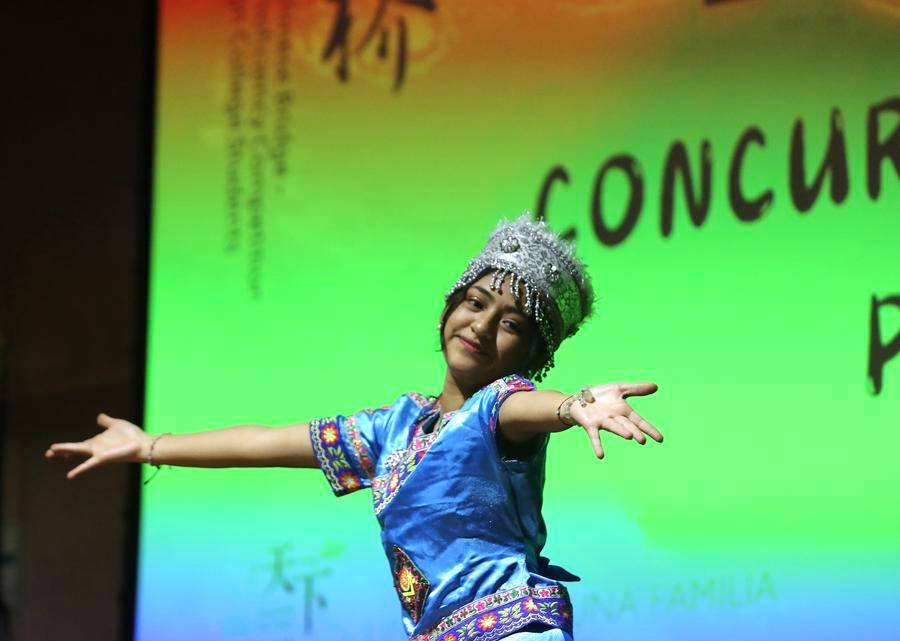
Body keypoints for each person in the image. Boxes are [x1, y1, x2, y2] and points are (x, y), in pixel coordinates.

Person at [47, 215, 663, 641]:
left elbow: (532, 409)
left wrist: (576, 404)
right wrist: (150, 445)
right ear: (449, 307)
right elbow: (264, 442)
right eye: (475, 303)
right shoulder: (393, 427)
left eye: (511, 324)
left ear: (529, 357)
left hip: (511, 626)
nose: (481, 325)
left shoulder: (501, 404)